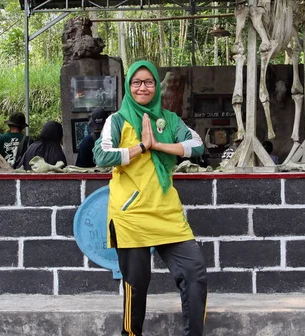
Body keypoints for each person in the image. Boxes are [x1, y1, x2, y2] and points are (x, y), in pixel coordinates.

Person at [93, 60, 207, 336]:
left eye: (148, 82)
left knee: (194, 274)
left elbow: (196, 145)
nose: (142, 87)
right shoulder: (117, 120)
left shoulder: (169, 120)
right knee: (137, 285)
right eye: (136, 82)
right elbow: (102, 155)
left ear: (157, 86)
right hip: (130, 215)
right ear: (128, 86)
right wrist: (141, 147)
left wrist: (158, 144)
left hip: (166, 212)